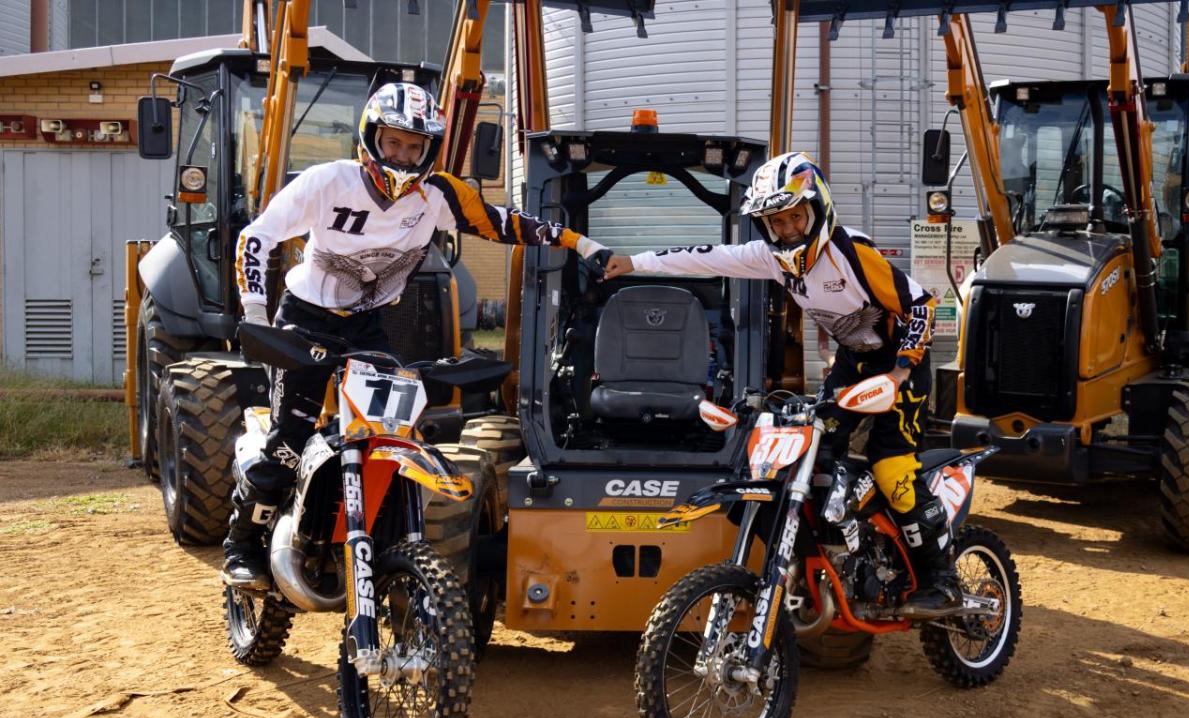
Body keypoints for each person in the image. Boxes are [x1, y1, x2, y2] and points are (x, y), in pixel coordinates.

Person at [224, 82, 608, 588]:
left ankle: (376, 541)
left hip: (368, 326)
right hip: (305, 317)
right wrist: (255, 309)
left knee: (392, 436)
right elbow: (256, 236)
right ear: (371, 139)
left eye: (415, 146)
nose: (403, 156)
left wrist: (579, 242)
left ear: (429, 151)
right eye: (393, 142)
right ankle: (242, 545)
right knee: (288, 441)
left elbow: (502, 223)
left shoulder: (438, 195)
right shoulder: (328, 182)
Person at [603, 152, 957, 611]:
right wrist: (633, 261)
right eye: (777, 221)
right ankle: (847, 553)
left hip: (900, 365)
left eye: (795, 217)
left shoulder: (852, 254)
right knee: (811, 450)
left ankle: (940, 577)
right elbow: (702, 258)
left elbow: (922, 305)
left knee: (891, 468)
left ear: (817, 208)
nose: (788, 229)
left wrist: (900, 370)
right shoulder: (770, 259)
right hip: (854, 361)